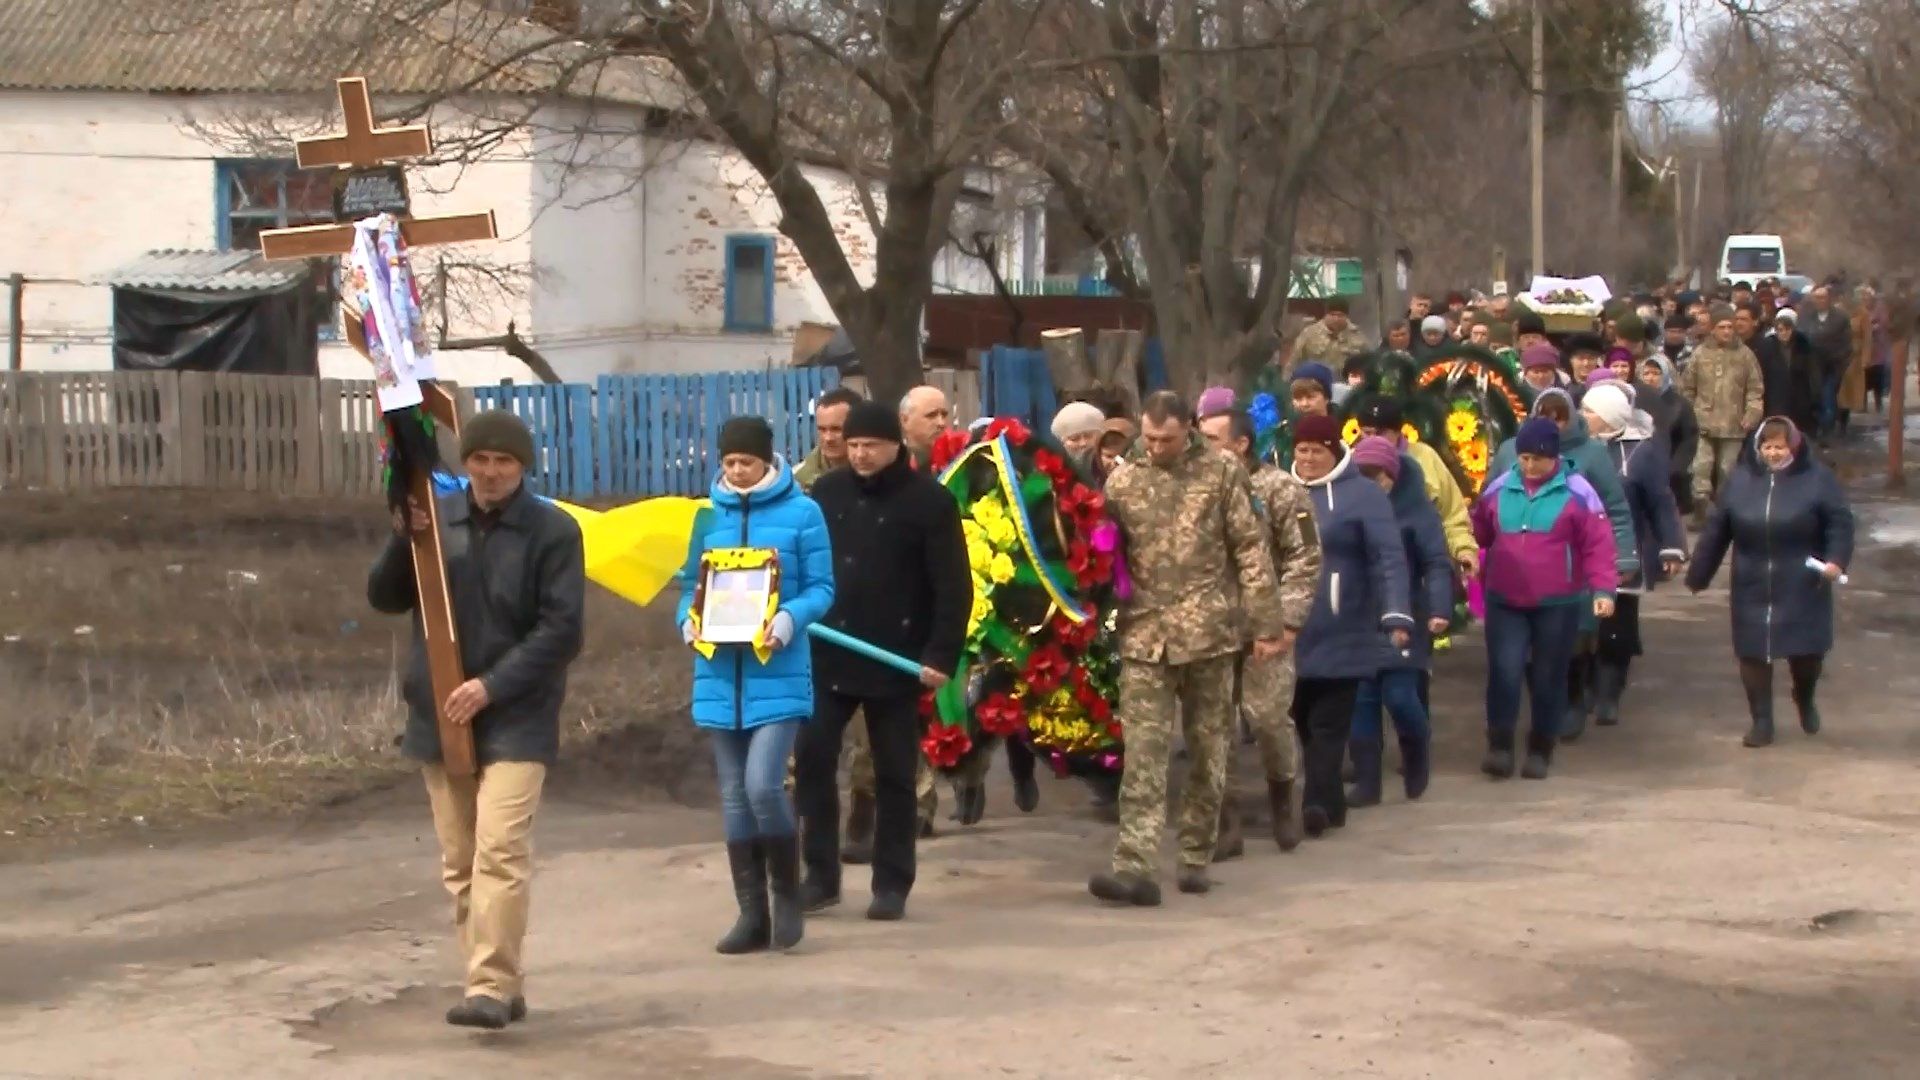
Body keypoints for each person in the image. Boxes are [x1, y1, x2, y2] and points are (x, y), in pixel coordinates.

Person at [368, 410, 585, 1029]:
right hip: (438, 711)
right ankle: (496, 983)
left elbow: (562, 629)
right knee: (461, 860)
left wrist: (491, 687)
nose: (490, 474)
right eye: (480, 461)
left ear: (523, 467)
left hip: (518, 713)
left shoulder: (552, 531)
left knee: (499, 849)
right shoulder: (436, 521)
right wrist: (400, 538)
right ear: (465, 465)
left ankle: (488, 985)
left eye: (504, 462)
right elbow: (383, 597)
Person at [1090, 392, 1285, 905]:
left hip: (1210, 634)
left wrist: (1265, 623)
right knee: (1145, 754)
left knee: (1208, 749)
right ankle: (1134, 865)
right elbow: (1103, 549)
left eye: (1167, 440)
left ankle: (1196, 853)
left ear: (1189, 431)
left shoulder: (1221, 472)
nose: (1156, 449)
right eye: (1149, 439)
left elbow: (1250, 548)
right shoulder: (1124, 479)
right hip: (1145, 635)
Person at [796, 401, 970, 921]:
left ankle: (891, 882)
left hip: (896, 659)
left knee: (895, 774)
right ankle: (820, 875)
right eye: (852, 446)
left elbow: (953, 586)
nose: (861, 454)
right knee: (812, 762)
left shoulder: (929, 503)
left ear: (895, 445)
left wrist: (941, 653)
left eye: (870, 445)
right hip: (829, 652)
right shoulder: (826, 495)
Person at [678, 417, 834, 955]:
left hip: (779, 671)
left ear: (768, 460)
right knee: (733, 797)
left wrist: (790, 618)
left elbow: (822, 588)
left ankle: (786, 895)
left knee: (764, 785)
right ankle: (751, 914)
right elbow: (688, 585)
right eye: (728, 463)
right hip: (720, 674)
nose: (737, 471)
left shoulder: (803, 513)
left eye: (746, 461)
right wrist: (690, 619)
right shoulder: (707, 516)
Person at [1685, 418, 1854, 747]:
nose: (1773, 453)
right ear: (1758, 448)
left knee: (1807, 654)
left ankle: (1804, 697)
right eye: (1767, 446)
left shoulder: (1818, 480)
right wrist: (1699, 575)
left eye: (1780, 446)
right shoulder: (1740, 481)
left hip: (1802, 579)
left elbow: (1839, 523)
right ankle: (1761, 721)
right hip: (1752, 578)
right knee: (1752, 652)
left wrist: (1836, 560)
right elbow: (1718, 530)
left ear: (1794, 446)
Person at [1197, 410, 1320, 854]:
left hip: (1262, 630)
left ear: (1240, 443)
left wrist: (1286, 623)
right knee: (1213, 727)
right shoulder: (1198, 489)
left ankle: (1284, 801)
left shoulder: (1281, 490)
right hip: (1208, 628)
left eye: (1211, 437)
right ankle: (1225, 823)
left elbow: (1304, 559)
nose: (1202, 444)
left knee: (1268, 720)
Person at [1471, 419, 1618, 781]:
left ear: (1555, 457)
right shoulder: (1499, 488)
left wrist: (1603, 590)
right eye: (1524, 457)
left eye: (1539, 459)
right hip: (1505, 599)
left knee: (1548, 675)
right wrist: (1468, 559)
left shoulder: (1579, 491)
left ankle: (1540, 747)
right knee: (1504, 671)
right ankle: (1500, 746)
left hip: (1558, 602)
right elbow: (1478, 532)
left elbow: (1599, 544)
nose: (1531, 466)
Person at [1289, 415, 1413, 836]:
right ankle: (1332, 801)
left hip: (1343, 625)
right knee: (1301, 718)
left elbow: (1387, 556)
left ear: (1334, 451)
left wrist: (1395, 612)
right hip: (1290, 627)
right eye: (1301, 450)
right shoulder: (1279, 490)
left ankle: (1316, 806)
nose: (1307, 459)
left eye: (1316, 451)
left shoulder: (1362, 495)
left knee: (1329, 723)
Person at [1343, 437, 1451, 807]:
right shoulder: (1349, 507)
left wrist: (1439, 608)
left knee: (1401, 696)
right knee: (1361, 701)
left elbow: (1437, 562)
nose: (1372, 485)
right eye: (1364, 476)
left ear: (1393, 474)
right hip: (1359, 615)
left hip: (1406, 613)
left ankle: (1416, 748)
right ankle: (1368, 782)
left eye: (1378, 477)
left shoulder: (1417, 511)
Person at [1578, 386, 1686, 727]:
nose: (1582, 416)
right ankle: (1582, 691)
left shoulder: (1643, 452)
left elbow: (1660, 501)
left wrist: (1671, 544)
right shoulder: (1577, 450)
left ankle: (1609, 693)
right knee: (1582, 627)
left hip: (1624, 551)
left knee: (1617, 627)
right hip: (1580, 552)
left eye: (1589, 411)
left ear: (1609, 416)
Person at [1353, 397, 1476, 574]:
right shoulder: (1351, 464)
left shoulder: (1425, 458)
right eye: (1366, 432)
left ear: (1397, 432)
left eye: (1379, 433)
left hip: (1422, 565)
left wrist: (1463, 550)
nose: (1372, 439)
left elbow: (1452, 514)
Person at [1678, 309, 1767, 525]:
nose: (1726, 331)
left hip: (1733, 423)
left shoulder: (1745, 355)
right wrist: (1690, 413)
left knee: (1728, 469)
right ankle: (1700, 511)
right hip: (1703, 422)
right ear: (1713, 329)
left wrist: (1752, 414)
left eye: (1730, 327)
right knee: (1701, 467)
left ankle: (1724, 514)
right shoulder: (1700, 354)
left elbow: (1755, 389)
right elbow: (1687, 387)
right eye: (1721, 327)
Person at [1637, 356, 1699, 517]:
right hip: (1641, 471)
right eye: (1647, 373)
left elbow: (1689, 438)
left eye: (1656, 373)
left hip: (1671, 476)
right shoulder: (1634, 401)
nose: (1650, 378)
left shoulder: (1679, 404)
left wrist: (1675, 468)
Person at [1754, 308, 1819, 437]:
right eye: (1780, 330)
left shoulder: (1803, 345)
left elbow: (1811, 371)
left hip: (1799, 394)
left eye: (1787, 330)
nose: (1783, 334)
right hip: (1775, 394)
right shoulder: (1768, 346)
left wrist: (1814, 393)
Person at [1800, 286, 1851, 438]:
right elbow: (1801, 335)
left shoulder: (1840, 317)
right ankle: (1818, 426)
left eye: (1822, 297)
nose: (1819, 301)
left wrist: (1841, 358)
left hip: (1834, 365)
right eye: (1816, 297)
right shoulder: (1807, 316)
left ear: (1829, 299)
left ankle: (1827, 429)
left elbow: (1847, 342)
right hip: (1813, 364)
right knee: (1816, 395)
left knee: (1828, 395)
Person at [794, 387, 861, 490]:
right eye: (822, 429)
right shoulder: (797, 480)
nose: (828, 438)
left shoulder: (880, 473)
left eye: (837, 429)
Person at [1291, 298, 1370, 370]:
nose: (1336, 319)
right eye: (1332, 315)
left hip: (1346, 382)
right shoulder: (1309, 333)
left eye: (1340, 315)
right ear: (1326, 315)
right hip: (1316, 382)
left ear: (1346, 316)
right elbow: (1295, 360)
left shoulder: (1357, 336)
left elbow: (1368, 362)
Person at [899, 385, 954, 466]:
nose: (941, 423)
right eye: (931, 415)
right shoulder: (891, 462)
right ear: (905, 420)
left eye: (944, 415)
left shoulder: (959, 455)